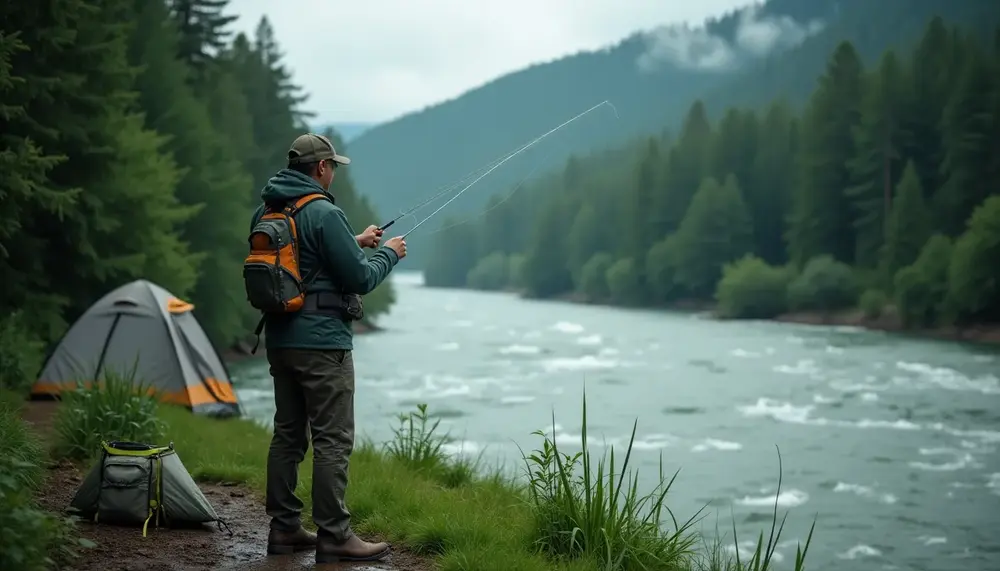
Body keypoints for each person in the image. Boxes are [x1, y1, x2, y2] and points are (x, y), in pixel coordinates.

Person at [250, 132, 406, 563]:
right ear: (320, 169)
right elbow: (360, 279)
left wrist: (354, 242)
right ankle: (334, 535)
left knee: (287, 436)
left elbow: (302, 262)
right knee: (332, 441)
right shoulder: (323, 210)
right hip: (323, 346)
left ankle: (283, 530)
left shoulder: (267, 209)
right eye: (332, 165)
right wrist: (389, 254)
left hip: (281, 342)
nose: (333, 172)